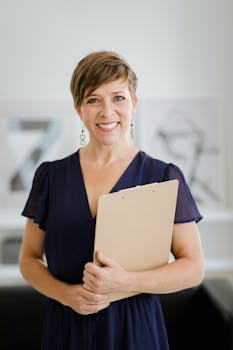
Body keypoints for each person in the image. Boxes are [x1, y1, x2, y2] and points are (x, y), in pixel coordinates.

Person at [19, 50, 205, 350]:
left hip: (136, 331)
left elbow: (193, 268)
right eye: (93, 99)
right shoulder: (50, 176)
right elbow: (29, 259)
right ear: (80, 109)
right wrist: (67, 295)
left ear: (133, 103)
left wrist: (127, 283)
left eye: (118, 97)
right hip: (66, 328)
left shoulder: (164, 175)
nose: (107, 112)